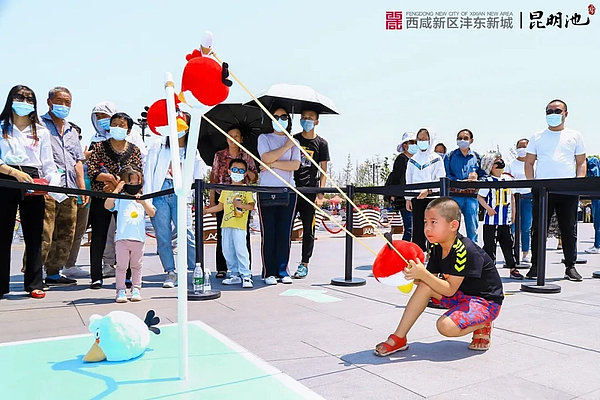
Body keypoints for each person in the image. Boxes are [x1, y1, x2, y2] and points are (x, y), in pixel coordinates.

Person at [374, 198, 503, 355]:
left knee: (445, 326)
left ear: (453, 225)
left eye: (434, 222)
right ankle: (399, 338)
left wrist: (422, 274)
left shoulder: (464, 250)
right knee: (425, 286)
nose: (427, 228)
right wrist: (408, 274)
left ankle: (484, 323)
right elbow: (429, 279)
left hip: (486, 302)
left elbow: (449, 290)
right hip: (461, 295)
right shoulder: (436, 246)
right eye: (425, 222)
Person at [0, 85, 60, 299]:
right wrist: (12, 173)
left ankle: (34, 283)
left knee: (35, 234)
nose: (24, 102)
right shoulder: (1, 127)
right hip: (5, 178)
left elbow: (48, 164)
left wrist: (53, 185)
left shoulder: (41, 131)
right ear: (10, 100)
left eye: (29, 99)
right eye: (19, 97)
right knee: (2, 233)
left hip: (33, 180)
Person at [30, 87, 88, 286]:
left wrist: (81, 187)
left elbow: (77, 160)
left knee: (66, 233)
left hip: (69, 188)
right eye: (60, 101)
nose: (63, 106)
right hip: (46, 187)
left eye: (67, 102)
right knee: (44, 232)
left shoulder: (72, 130)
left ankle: (54, 272)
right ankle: (34, 273)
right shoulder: (38, 124)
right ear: (49, 102)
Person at [525, 99, 586, 281]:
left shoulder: (574, 135)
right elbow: (529, 163)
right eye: (549, 111)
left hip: (568, 189)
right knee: (538, 228)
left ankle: (570, 266)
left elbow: (581, 162)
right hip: (543, 188)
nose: (553, 114)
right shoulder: (537, 136)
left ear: (565, 113)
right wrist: (533, 184)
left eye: (557, 111)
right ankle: (536, 266)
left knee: (569, 228)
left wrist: (578, 184)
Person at [144, 112, 203, 288]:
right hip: (160, 192)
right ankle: (170, 272)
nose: (178, 129)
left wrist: (197, 200)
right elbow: (149, 171)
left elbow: (198, 176)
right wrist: (147, 199)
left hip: (182, 193)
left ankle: (194, 269)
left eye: (182, 125)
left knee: (187, 232)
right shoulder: (159, 144)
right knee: (163, 236)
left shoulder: (192, 150)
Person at [87, 112, 143, 289]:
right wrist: (109, 180)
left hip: (125, 200)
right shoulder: (99, 146)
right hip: (101, 196)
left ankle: (128, 275)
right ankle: (96, 276)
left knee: (127, 235)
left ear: (129, 130)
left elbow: (136, 173)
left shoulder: (134, 150)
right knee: (99, 236)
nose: (117, 127)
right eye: (114, 124)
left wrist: (117, 185)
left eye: (122, 125)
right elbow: (92, 170)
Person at [257, 107, 300, 285]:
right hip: (266, 190)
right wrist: (285, 147)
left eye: (283, 116)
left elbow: (295, 165)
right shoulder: (264, 138)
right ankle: (269, 272)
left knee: (284, 232)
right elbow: (266, 157)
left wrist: (273, 165)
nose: (279, 119)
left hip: (287, 190)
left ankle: (283, 270)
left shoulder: (294, 141)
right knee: (269, 233)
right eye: (275, 116)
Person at [209, 126, 257, 279]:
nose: (233, 138)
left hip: (242, 197)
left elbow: (255, 178)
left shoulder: (247, 155)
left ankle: (245, 269)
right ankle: (223, 268)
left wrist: (244, 170)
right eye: (230, 135)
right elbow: (213, 178)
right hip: (223, 197)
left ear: (241, 139)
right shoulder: (219, 155)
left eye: (237, 136)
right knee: (223, 233)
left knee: (242, 235)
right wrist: (211, 202)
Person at [105, 166, 155, 302]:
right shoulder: (120, 198)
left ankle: (136, 288)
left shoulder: (144, 198)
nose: (133, 185)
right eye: (130, 182)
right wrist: (117, 190)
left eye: (136, 182)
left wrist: (143, 202)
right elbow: (108, 205)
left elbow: (152, 213)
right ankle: (120, 290)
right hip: (122, 238)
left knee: (137, 266)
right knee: (121, 266)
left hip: (138, 239)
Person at [203, 158, 255, 288]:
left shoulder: (246, 189)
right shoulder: (225, 189)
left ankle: (246, 275)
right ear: (229, 171)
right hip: (226, 225)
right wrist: (207, 210)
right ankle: (234, 274)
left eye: (241, 171)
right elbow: (220, 206)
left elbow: (251, 206)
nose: (238, 173)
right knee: (227, 250)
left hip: (239, 226)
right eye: (235, 170)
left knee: (241, 250)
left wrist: (241, 205)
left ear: (245, 173)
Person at [292, 109, 330, 279]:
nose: (306, 120)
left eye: (310, 118)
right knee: (286, 228)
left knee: (309, 229)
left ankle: (304, 263)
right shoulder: (293, 139)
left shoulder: (322, 143)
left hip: (310, 191)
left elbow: (323, 170)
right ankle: (282, 264)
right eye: (303, 118)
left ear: (316, 122)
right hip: (292, 188)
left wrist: (320, 195)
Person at [477, 152, 523, 279]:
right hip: (491, 220)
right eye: (496, 162)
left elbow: (512, 197)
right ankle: (489, 270)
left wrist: (513, 213)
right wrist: (488, 208)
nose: (500, 163)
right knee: (489, 246)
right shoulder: (488, 181)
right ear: (491, 166)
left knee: (508, 244)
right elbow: (480, 197)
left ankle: (512, 268)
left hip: (505, 219)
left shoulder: (508, 179)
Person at [405, 128, 445, 251]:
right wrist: (408, 199)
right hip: (417, 198)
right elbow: (409, 179)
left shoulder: (437, 159)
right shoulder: (413, 160)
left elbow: (440, 178)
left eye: (424, 139)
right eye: (419, 139)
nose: (422, 141)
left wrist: (428, 190)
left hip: (432, 198)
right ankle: (418, 253)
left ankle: (434, 254)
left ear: (430, 140)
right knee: (417, 227)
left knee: (433, 226)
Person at [444, 129, 484, 243]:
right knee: (451, 227)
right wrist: (461, 182)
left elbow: (484, 175)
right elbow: (446, 175)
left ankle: (473, 250)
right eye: (460, 138)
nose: (462, 140)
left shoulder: (477, 157)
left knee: (472, 229)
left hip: (471, 197)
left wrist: (477, 179)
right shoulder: (449, 156)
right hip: (454, 196)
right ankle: (452, 250)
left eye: (465, 138)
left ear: (471, 140)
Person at [64, 123, 92, 274]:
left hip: (85, 200)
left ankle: (70, 264)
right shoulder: (63, 153)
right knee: (63, 232)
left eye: (79, 137)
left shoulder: (84, 154)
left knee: (78, 233)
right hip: (67, 198)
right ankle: (54, 265)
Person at [504, 138, 533, 263]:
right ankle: (511, 253)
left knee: (526, 226)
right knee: (512, 226)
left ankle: (526, 252)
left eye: (525, 146)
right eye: (520, 146)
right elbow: (506, 179)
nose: (522, 149)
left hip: (528, 197)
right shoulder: (511, 164)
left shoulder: (534, 163)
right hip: (514, 197)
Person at [385, 132, 417, 241]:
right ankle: (403, 250)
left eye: (416, 142)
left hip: (415, 196)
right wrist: (393, 195)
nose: (414, 144)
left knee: (416, 229)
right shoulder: (401, 159)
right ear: (405, 145)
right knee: (409, 229)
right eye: (411, 142)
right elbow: (396, 178)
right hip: (403, 198)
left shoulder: (416, 159)